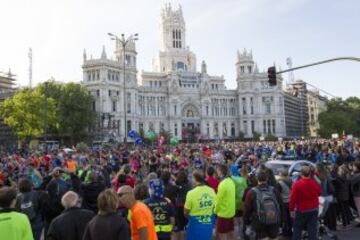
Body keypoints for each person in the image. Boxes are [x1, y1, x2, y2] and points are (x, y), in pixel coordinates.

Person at [244, 171, 282, 240]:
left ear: (257, 179)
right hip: (274, 220)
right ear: (267, 179)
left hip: (259, 221)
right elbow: (281, 205)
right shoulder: (274, 190)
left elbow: (247, 209)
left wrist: (246, 222)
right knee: (273, 237)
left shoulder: (252, 192)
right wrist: (282, 220)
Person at [289, 165, 321, 240]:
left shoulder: (297, 184)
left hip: (301, 209)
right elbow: (319, 193)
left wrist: (291, 210)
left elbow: (292, 199)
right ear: (310, 173)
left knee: (297, 229)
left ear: (301, 174)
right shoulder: (315, 183)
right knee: (312, 230)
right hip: (313, 209)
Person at [184, 170, 216, 240]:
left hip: (195, 224)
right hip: (208, 223)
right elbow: (214, 207)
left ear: (195, 179)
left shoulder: (191, 193)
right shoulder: (211, 190)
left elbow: (186, 213)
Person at [214, 164, 236, 240]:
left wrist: (215, 211)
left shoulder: (222, 184)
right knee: (230, 232)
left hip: (223, 213)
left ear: (220, 172)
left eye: (217, 170)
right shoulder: (231, 181)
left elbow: (218, 201)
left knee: (222, 234)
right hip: (231, 212)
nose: (216, 172)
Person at [350, 160, 360, 225]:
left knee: (359, 208)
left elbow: (351, 181)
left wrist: (352, 174)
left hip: (358, 194)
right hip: (357, 193)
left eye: (353, 166)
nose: (352, 167)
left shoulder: (357, 175)